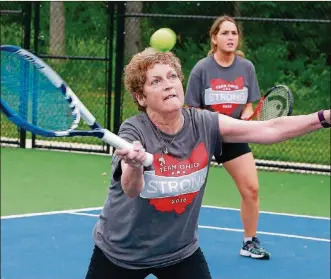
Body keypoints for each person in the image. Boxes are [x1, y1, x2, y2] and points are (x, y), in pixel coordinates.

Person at [85, 47, 330, 279]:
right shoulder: (133, 131)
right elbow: (131, 188)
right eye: (156, 81)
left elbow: (269, 129)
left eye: (172, 76)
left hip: (179, 252)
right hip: (121, 254)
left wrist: (324, 117)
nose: (168, 83)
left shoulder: (204, 123)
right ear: (141, 96)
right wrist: (136, 164)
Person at [185, 15, 270, 259]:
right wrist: (216, 124)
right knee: (184, 193)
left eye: (234, 33)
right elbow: (191, 107)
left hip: (233, 137)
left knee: (251, 189)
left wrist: (243, 118)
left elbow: (248, 105)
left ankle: (249, 242)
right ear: (214, 38)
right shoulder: (202, 68)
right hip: (202, 135)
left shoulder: (246, 67)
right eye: (225, 33)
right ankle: (170, 242)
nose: (230, 37)